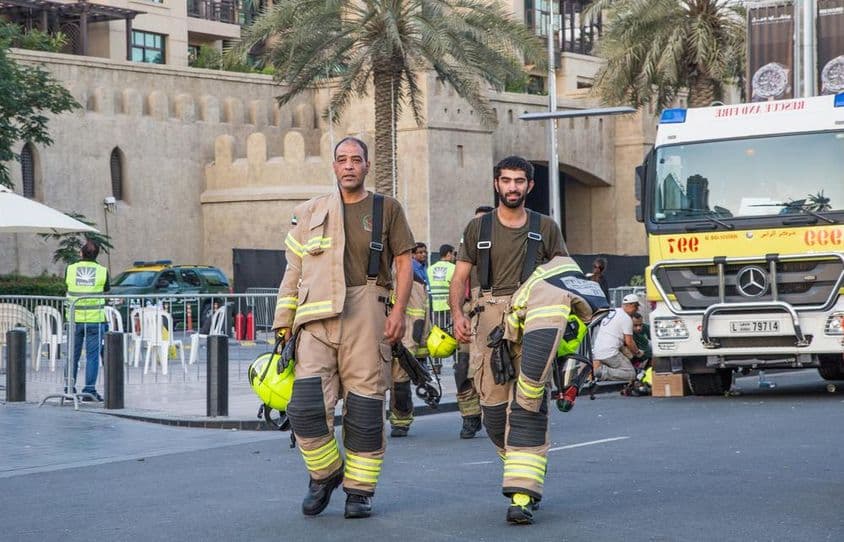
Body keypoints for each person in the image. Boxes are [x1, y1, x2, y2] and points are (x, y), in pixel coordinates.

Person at [272, 136, 415, 519]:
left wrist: (399, 312)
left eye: (356, 159)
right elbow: (294, 272)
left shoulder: (387, 209)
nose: (349, 165)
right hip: (315, 321)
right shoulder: (308, 212)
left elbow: (404, 264)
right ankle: (325, 474)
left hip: (367, 313)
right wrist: (282, 324)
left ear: (367, 166)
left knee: (365, 410)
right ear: (333, 166)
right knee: (304, 407)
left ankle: (359, 491)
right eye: (342, 159)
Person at [449, 156, 567, 523]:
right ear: (496, 184)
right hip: (488, 320)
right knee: (494, 413)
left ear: (530, 186)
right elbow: (460, 278)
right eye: (506, 180)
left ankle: (522, 493)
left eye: (520, 181)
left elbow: (564, 275)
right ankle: (524, 467)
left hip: (533, 316)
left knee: (529, 404)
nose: (513, 187)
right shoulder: (477, 228)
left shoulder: (546, 228)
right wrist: (456, 315)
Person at [500, 255, 606, 523]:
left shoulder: (551, 284)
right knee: (497, 419)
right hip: (522, 339)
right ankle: (527, 473)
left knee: (528, 407)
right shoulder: (575, 285)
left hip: (541, 347)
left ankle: (523, 493)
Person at [452, 206, 493, 439]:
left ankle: (497, 414)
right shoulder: (465, 247)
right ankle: (470, 418)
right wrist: (457, 314)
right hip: (470, 312)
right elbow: (457, 282)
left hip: (495, 312)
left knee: (493, 368)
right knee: (463, 369)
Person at [65, 240, 110, 402]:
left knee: (72, 355)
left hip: (74, 319)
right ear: (97, 254)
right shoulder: (102, 271)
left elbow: (67, 285)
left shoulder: (70, 269)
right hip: (94, 321)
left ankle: (69, 388)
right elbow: (106, 289)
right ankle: (89, 391)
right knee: (92, 357)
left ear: (81, 253)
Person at [389, 259, 429, 438]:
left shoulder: (414, 280)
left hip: (404, 339)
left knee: (400, 383)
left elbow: (420, 314)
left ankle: (401, 421)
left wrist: (418, 341)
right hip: (378, 336)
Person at [591, 293, 642, 382]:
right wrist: (637, 352)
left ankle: (600, 368)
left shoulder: (614, 311)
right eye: (636, 306)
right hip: (610, 353)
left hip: (597, 351)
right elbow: (629, 342)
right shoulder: (626, 319)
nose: (637, 309)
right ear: (630, 305)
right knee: (631, 373)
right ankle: (601, 371)